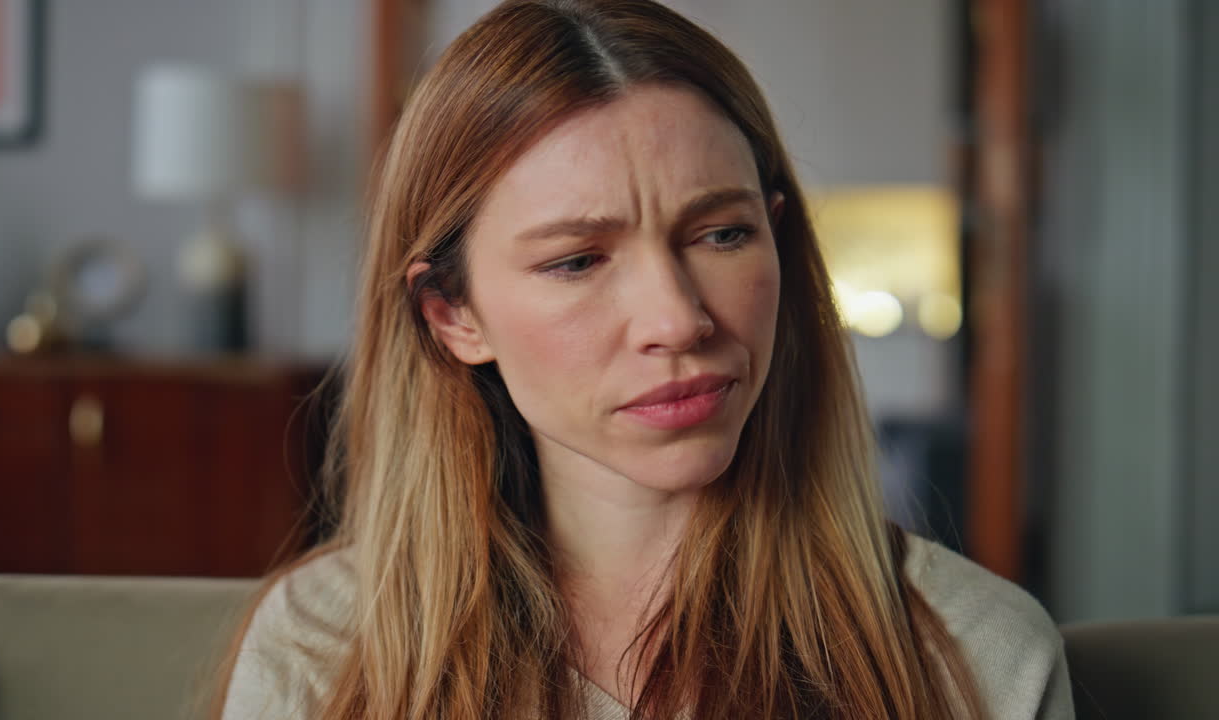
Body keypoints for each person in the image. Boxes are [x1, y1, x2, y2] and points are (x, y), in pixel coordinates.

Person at [213, 1, 1074, 718]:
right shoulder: (324, 648)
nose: (678, 319)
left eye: (723, 234)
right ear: (452, 315)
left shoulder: (974, 654)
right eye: (578, 260)